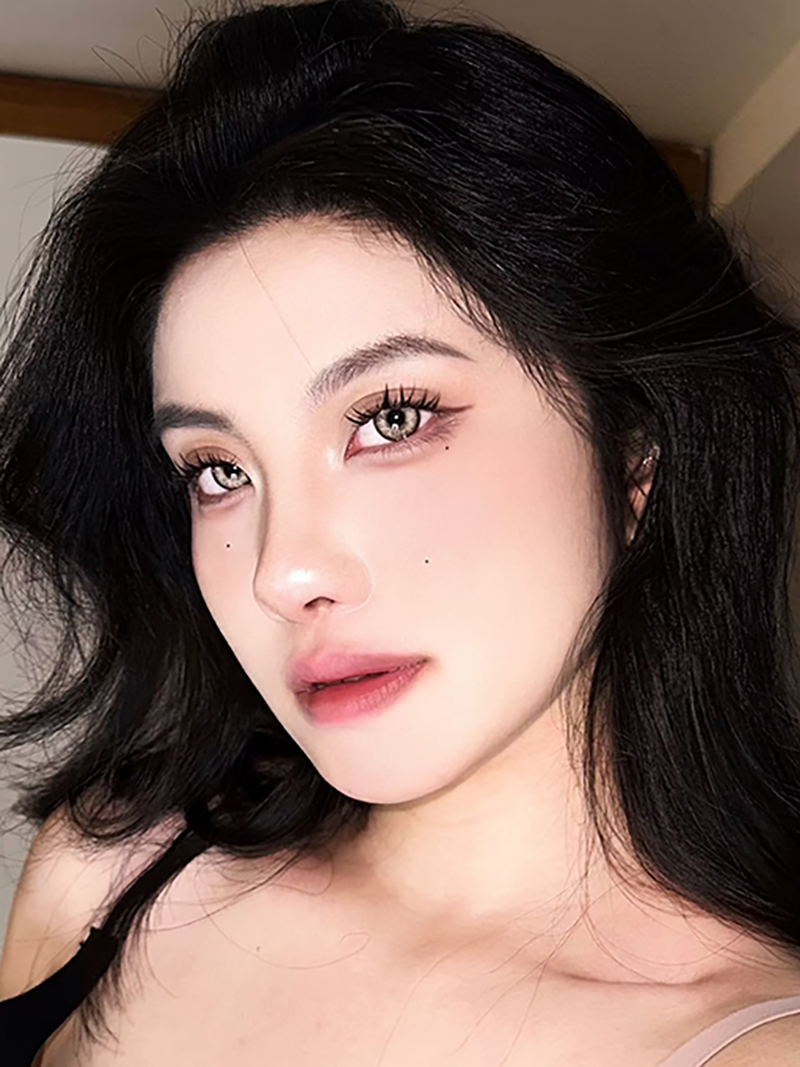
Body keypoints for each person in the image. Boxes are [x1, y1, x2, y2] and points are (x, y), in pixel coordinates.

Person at [0, 0, 800, 1063]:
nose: (283, 570)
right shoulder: (107, 877)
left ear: (632, 455)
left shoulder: (748, 1040)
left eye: (389, 418)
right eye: (218, 470)